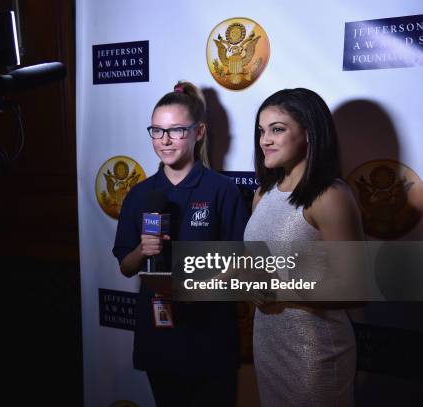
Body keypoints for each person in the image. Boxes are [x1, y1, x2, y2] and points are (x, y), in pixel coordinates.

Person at [113, 81, 250, 407]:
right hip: (159, 340)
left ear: (198, 132)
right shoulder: (140, 194)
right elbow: (126, 266)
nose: (164, 141)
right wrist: (141, 251)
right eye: (157, 131)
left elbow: (243, 265)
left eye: (175, 130)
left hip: (211, 338)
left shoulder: (222, 190)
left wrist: (197, 289)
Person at [244, 88, 364, 406]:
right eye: (261, 131)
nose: (264, 140)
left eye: (277, 129)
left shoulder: (330, 196)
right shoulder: (262, 194)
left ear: (309, 133)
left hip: (315, 352)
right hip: (268, 343)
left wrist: (278, 289)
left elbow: (354, 286)